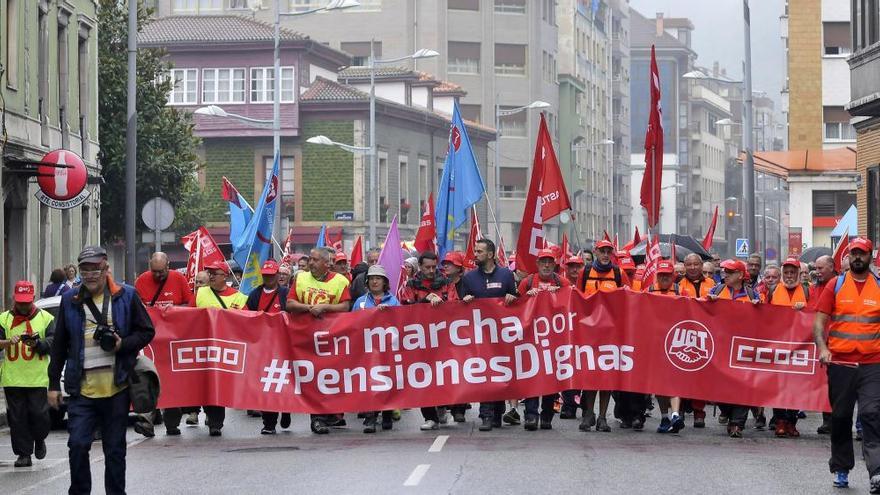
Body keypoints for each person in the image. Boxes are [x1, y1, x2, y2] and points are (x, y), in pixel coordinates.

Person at [48, 245, 155, 494]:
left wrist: (123, 344)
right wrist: (53, 385)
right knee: (77, 445)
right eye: (85, 269)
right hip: (81, 391)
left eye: (95, 269)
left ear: (106, 268)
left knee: (115, 450)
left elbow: (147, 331)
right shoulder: (69, 300)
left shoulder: (126, 295)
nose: (90, 274)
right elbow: (60, 345)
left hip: (116, 388)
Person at [813, 238, 880, 491]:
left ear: (870, 256)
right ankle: (841, 468)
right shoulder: (836, 284)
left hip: (873, 362)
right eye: (853, 254)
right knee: (840, 417)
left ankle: (876, 472)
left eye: (861, 254)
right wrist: (823, 348)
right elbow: (819, 321)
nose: (857, 258)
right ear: (848, 256)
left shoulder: (878, 286)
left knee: (871, 414)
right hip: (840, 363)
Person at [287, 247, 352, 434]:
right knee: (312, 377)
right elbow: (290, 304)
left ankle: (333, 414)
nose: (311, 264)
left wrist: (325, 307)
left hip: (332, 338)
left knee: (331, 376)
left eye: (315, 260)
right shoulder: (300, 278)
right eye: (310, 260)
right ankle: (317, 419)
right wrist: (309, 307)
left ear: (326, 263)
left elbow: (346, 306)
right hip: (305, 338)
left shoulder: (340, 281)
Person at [460, 238, 518, 432]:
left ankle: (497, 412)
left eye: (479, 252)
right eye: (475, 251)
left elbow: (517, 302)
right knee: (485, 374)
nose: (475, 254)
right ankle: (485, 414)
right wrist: (465, 301)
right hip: (479, 335)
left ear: (491, 255)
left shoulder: (506, 275)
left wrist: (513, 297)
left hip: (502, 335)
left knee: (500, 372)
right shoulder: (468, 278)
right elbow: (458, 310)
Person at [134, 252, 193, 437]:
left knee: (171, 382)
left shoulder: (178, 278)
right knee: (149, 380)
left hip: (174, 341)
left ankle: (172, 423)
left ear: (168, 266)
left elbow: (190, 305)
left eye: (161, 272)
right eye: (154, 271)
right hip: (151, 342)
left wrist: (173, 311)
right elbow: (135, 307)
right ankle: (147, 421)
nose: (157, 276)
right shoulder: (142, 281)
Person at [400, 252, 460, 430]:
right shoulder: (411, 285)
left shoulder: (447, 283)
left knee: (443, 374)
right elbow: (404, 308)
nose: (431, 270)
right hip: (419, 338)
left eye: (434, 267)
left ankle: (442, 407)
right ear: (420, 266)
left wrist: (441, 302)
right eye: (427, 267)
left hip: (442, 337)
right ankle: (429, 417)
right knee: (422, 376)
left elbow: (454, 305)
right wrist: (424, 302)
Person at [575, 239, 629, 433]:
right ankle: (588, 414)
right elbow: (576, 299)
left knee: (606, 377)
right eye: (602, 251)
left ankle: (602, 417)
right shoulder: (586, 272)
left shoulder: (619, 273)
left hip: (611, 333)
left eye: (609, 251)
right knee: (590, 375)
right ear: (596, 252)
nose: (606, 254)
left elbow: (628, 300)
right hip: (589, 333)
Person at [1, 280, 55, 467]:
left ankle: (39, 439)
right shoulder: (4, 319)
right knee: (17, 418)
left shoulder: (46, 318)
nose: (23, 306)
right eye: (20, 302)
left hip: (37, 378)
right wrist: (8, 342)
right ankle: (24, 454)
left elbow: (54, 341)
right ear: (15, 300)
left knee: (39, 416)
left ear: (32, 299)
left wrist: (38, 343)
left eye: (26, 302)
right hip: (13, 379)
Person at [191, 261, 247, 437]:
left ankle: (216, 423)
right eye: (210, 273)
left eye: (215, 273)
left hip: (226, 351)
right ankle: (205, 412)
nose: (212, 276)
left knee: (218, 386)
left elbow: (247, 321)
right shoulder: (200, 294)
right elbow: (187, 317)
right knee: (203, 385)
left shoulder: (239, 297)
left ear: (226, 276)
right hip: (203, 349)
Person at [707, 259, 761, 438]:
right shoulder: (716, 291)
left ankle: (737, 423)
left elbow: (764, 318)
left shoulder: (752, 294)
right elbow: (701, 311)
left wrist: (758, 308)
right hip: (720, 347)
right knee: (720, 388)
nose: (725, 275)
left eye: (729, 272)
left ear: (740, 275)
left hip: (742, 348)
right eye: (724, 272)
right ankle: (728, 413)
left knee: (742, 386)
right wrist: (708, 303)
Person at [517, 249, 569, 431]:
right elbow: (515, 306)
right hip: (531, 338)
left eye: (550, 262)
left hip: (554, 339)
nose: (546, 265)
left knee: (551, 377)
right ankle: (531, 415)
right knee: (532, 376)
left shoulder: (562, 282)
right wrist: (527, 297)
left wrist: (561, 294)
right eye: (543, 262)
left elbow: (573, 305)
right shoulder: (527, 282)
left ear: (554, 264)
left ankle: (547, 415)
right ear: (537, 264)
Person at [243, 259, 291, 435]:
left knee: (284, 382)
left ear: (278, 275)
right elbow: (246, 315)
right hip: (263, 347)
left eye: (271, 275)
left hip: (284, 346)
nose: (269, 278)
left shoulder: (286, 293)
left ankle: (286, 410)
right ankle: (269, 423)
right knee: (267, 384)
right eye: (266, 275)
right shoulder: (254, 294)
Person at [352, 265, 401, 433]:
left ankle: (387, 413)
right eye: (372, 278)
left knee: (386, 381)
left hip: (387, 348)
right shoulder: (361, 302)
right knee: (369, 383)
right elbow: (352, 324)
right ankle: (370, 418)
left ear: (384, 282)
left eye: (378, 278)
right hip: (366, 350)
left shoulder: (394, 301)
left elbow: (402, 323)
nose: (374, 281)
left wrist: (388, 314)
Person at [767, 257, 809, 439]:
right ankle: (780, 421)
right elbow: (762, 315)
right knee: (779, 385)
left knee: (796, 385)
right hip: (779, 345)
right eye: (786, 273)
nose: (789, 276)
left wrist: (806, 307)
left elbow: (817, 312)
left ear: (799, 274)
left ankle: (792, 422)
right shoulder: (773, 290)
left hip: (800, 346)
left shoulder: (808, 291)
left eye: (793, 273)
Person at [646, 261, 686, 434]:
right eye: (661, 274)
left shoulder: (680, 291)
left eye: (667, 275)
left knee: (674, 380)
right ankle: (664, 417)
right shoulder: (648, 291)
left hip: (674, 342)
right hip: (654, 343)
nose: (664, 277)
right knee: (659, 384)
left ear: (673, 276)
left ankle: (676, 414)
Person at [678, 253, 716, 427]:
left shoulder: (713, 285)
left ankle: (699, 412)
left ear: (702, 266)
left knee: (702, 374)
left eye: (696, 264)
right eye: (689, 264)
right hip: (684, 334)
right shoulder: (678, 285)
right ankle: (681, 408)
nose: (693, 267)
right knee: (683, 373)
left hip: (706, 334)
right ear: (684, 266)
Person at [811, 254, 838, 434]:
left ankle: (835, 419)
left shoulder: (839, 285)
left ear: (831, 267)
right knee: (822, 382)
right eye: (816, 268)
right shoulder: (812, 288)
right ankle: (827, 419)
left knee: (834, 383)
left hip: (836, 341)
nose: (817, 272)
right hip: (819, 340)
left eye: (821, 268)